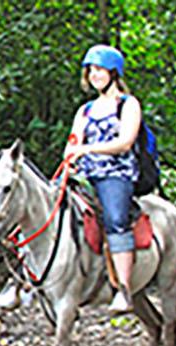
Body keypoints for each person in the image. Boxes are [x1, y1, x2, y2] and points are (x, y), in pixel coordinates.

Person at [63, 44, 143, 314]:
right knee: (44, 205)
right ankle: (23, 281)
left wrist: (87, 149)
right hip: (85, 174)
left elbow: (125, 142)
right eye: (91, 70)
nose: (94, 75)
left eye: (99, 69)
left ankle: (124, 289)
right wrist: (70, 156)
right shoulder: (85, 110)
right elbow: (73, 141)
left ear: (113, 73)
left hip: (115, 173)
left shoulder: (128, 105)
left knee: (115, 219)